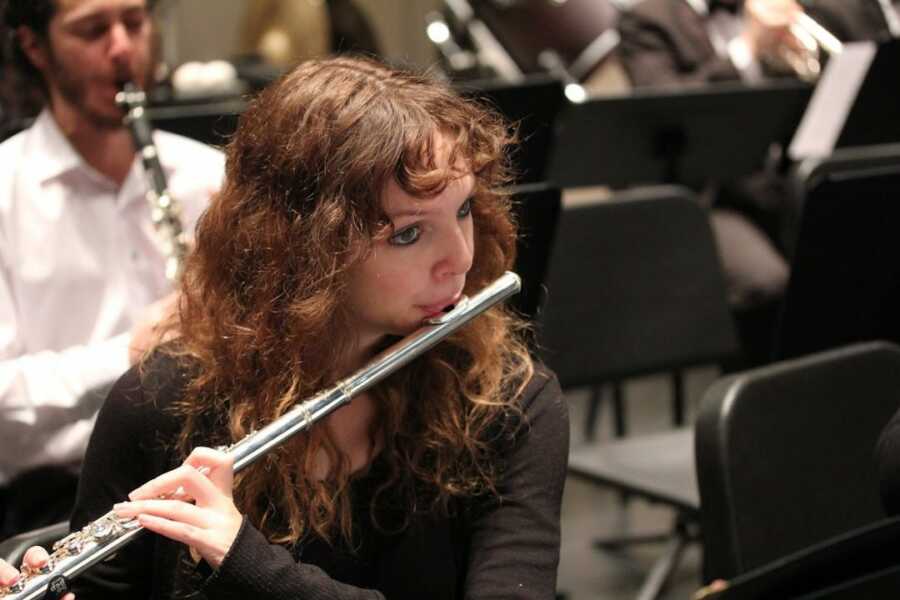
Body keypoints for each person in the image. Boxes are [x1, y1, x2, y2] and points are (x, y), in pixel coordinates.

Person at [0, 56, 569, 599]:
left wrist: (245, 561)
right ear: (304, 250)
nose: (460, 258)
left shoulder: (509, 404)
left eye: (464, 210)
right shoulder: (158, 404)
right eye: (408, 234)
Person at [0, 0, 225, 538]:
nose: (123, 47)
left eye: (134, 22)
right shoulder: (5, 195)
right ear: (35, 46)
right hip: (58, 507)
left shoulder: (210, 177)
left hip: (210, 478)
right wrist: (130, 353)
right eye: (93, 29)